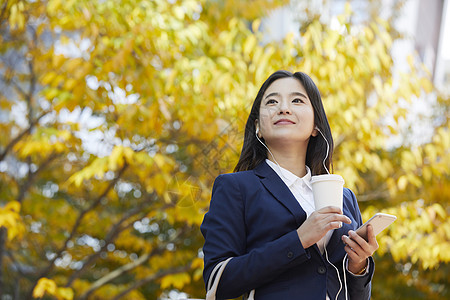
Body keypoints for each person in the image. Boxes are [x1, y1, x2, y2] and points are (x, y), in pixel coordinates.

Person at [200, 70, 379, 299]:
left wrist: (359, 266)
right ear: (258, 127)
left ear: (316, 126)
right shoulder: (235, 188)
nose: (283, 108)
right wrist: (299, 239)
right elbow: (218, 282)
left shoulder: (345, 197)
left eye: (297, 100)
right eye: (272, 101)